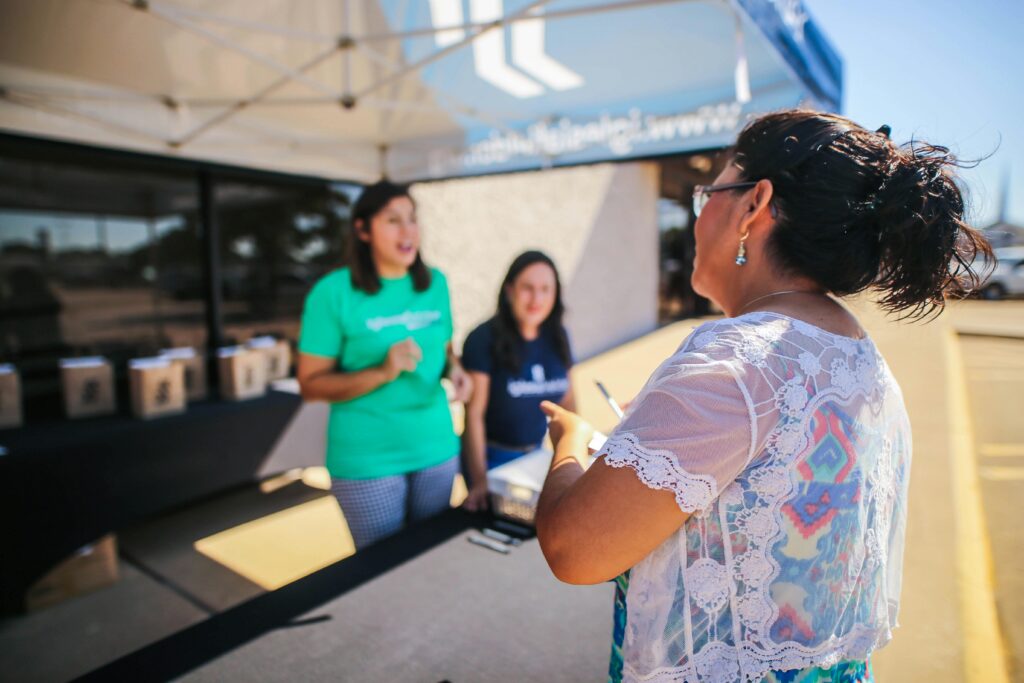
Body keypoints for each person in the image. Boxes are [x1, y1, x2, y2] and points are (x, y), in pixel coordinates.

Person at [534, 110, 992, 683]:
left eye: (710, 194)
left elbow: (576, 549)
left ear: (753, 206)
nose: (699, 218)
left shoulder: (735, 361)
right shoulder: (857, 354)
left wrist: (571, 445)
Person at [296, 180, 471, 550]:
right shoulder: (332, 293)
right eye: (393, 220)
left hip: (436, 447)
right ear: (362, 229)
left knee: (431, 558)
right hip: (367, 460)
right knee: (383, 571)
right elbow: (311, 384)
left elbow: (444, 350)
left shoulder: (435, 284)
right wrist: (382, 372)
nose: (408, 230)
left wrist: (454, 370)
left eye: (412, 218)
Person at [460, 251, 575, 511]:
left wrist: (573, 463)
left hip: (537, 456)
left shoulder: (558, 336)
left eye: (546, 289)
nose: (537, 298)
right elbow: (473, 416)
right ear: (510, 289)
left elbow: (569, 405)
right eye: (528, 288)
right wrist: (480, 482)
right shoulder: (483, 339)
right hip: (492, 460)